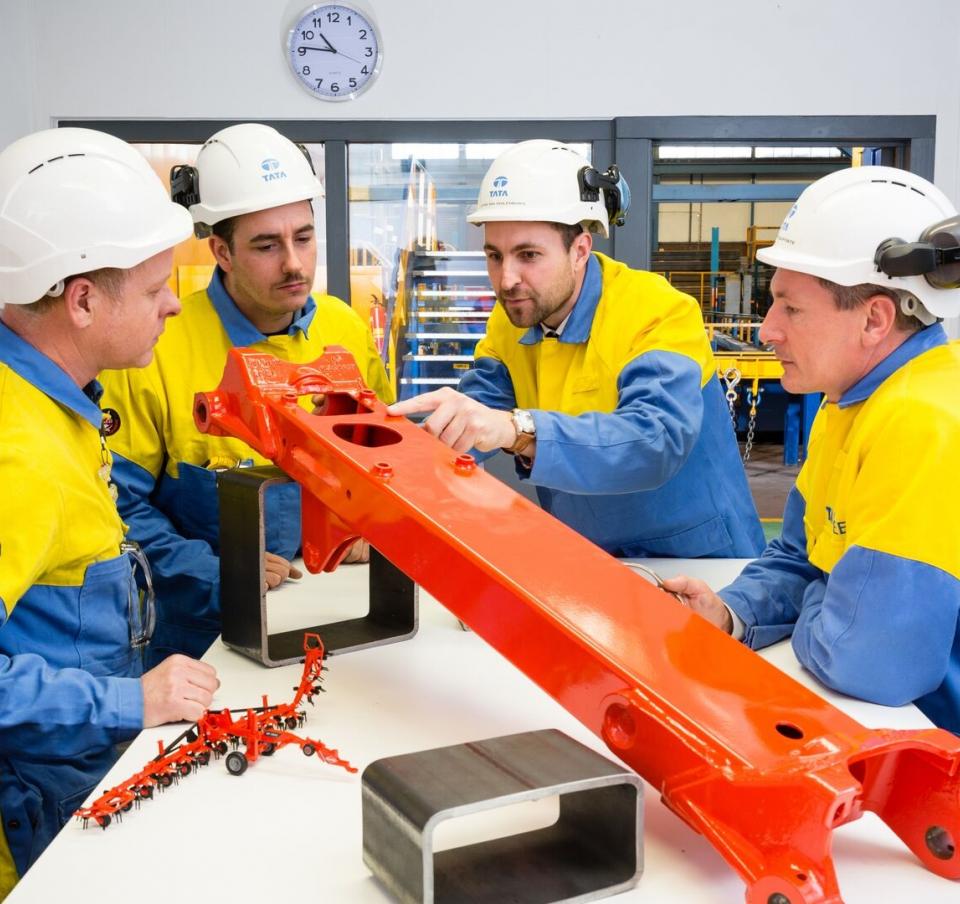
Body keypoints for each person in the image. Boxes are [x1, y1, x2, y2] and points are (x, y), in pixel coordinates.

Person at [0, 128, 220, 899]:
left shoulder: (53, 405)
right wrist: (134, 699)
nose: (173, 304)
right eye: (157, 285)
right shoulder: (18, 453)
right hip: (39, 824)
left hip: (81, 779)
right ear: (83, 298)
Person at [662, 165, 960, 735]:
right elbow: (801, 557)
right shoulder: (849, 400)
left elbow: (870, 664)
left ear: (875, 318)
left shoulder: (923, 422)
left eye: (790, 308)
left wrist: (817, 602)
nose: (767, 329)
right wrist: (730, 614)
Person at [99, 124, 392, 665]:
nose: (295, 264)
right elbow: (116, 504)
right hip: (206, 634)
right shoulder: (157, 347)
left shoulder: (345, 330)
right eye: (266, 245)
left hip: (340, 615)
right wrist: (220, 569)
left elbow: (383, 461)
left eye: (303, 237)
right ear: (222, 251)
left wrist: (365, 527)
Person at [388, 140, 764, 559]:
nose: (506, 279)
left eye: (528, 255)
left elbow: (655, 441)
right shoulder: (513, 318)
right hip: (589, 557)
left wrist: (517, 429)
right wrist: (399, 465)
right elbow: (471, 422)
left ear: (580, 250)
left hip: (700, 561)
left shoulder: (658, 311)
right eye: (494, 256)